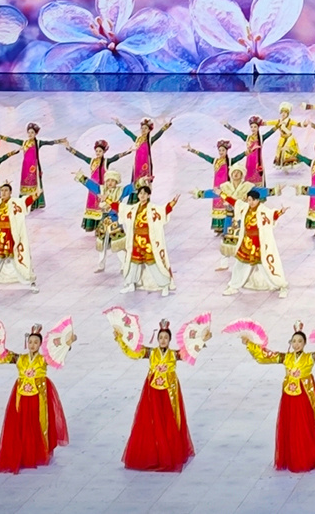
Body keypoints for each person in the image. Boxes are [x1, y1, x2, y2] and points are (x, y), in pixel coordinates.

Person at [239, 321, 315, 472]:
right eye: (294, 341)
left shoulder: (309, 358)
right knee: (291, 426)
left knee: (305, 426)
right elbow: (265, 355)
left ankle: (307, 456)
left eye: (300, 341)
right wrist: (249, 344)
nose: (296, 344)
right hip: (289, 396)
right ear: (290, 343)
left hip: (304, 395)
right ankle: (292, 457)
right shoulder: (286, 358)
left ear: (304, 343)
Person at [0, 322, 70, 473]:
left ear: (40, 344)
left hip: (39, 394)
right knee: (21, 422)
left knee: (38, 421)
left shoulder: (43, 359)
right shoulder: (20, 358)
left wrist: (68, 343)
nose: (32, 345)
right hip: (21, 394)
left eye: (36, 342)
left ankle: (38, 451)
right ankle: (23, 451)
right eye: (30, 342)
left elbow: (58, 353)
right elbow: (1, 355)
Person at [116, 317, 197, 473]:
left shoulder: (174, 354)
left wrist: (202, 340)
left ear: (170, 340)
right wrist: (120, 339)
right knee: (153, 419)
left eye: (166, 337)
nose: (163, 340)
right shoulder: (151, 352)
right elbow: (133, 352)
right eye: (161, 337)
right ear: (157, 339)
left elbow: (190, 352)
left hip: (170, 390)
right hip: (153, 390)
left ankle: (170, 451)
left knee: (170, 419)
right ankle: (154, 453)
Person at [219, 187, 287, 293]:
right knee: (240, 265)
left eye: (252, 200)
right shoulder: (245, 207)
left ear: (257, 200)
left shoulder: (263, 210)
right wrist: (221, 193)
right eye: (249, 200)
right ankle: (234, 286)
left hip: (258, 243)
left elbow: (272, 215)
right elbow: (234, 202)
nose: (250, 202)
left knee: (265, 266)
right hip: (246, 242)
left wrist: (281, 212)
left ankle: (278, 284)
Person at [0, 185, 36, 290]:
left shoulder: (15, 203)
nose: (3, 192)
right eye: (2, 190)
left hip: (11, 237)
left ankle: (31, 282)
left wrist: (35, 195)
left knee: (18, 261)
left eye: (6, 190)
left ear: (10, 192)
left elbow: (26, 202)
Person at [120, 193, 179, 295]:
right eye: (140, 193)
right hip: (136, 241)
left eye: (145, 193)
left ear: (148, 195)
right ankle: (130, 284)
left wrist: (173, 203)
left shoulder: (153, 209)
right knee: (134, 264)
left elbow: (164, 210)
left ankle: (164, 285)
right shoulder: (133, 208)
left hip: (149, 242)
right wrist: (107, 200)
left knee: (153, 264)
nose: (142, 195)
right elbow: (121, 208)